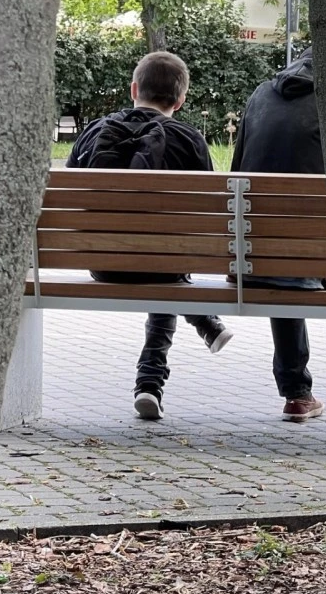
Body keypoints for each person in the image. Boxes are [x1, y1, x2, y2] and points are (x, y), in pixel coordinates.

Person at [67, 52, 233, 421]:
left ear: (133, 89)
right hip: (164, 264)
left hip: (103, 263)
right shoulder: (189, 140)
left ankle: (163, 370)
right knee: (166, 266)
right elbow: (208, 214)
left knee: (164, 261)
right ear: (180, 99)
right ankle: (153, 380)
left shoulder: (92, 133)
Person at [230, 47, 326, 426]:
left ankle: (296, 393)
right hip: (318, 257)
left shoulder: (260, 94)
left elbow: (237, 170)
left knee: (282, 257)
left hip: (256, 256)